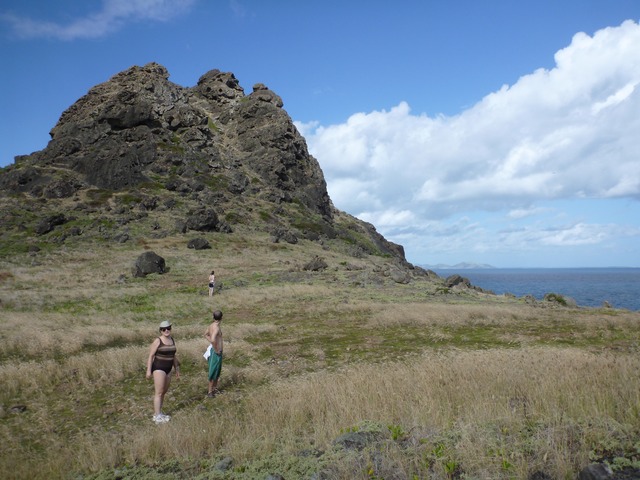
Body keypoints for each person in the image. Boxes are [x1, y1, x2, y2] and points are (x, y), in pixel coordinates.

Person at [146, 320, 180, 424]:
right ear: (161, 331)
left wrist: (177, 369)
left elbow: (173, 356)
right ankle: (156, 416)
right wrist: (148, 371)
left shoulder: (172, 340)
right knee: (159, 392)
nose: (166, 330)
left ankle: (159, 413)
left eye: (168, 328)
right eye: (164, 329)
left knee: (163, 392)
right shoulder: (158, 341)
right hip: (158, 368)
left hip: (169, 368)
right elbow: (151, 355)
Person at [204, 310, 223, 397]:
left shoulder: (211, 325)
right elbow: (212, 339)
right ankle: (210, 392)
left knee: (216, 371)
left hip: (216, 351)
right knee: (213, 371)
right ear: (222, 318)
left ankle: (214, 390)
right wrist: (216, 349)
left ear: (213, 317)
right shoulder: (216, 328)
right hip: (216, 352)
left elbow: (205, 334)